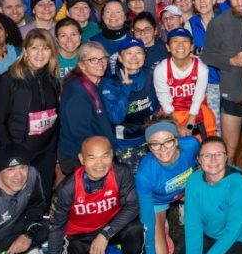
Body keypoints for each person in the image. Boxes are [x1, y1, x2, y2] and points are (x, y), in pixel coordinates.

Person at [46, 136, 145, 254]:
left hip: (110, 228)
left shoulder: (121, 173)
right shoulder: (67, 189)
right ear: (82, 159)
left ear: (112, 155)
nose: (100, 164)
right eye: (92, 158)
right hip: (80, 236)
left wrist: (105, 234)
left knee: (136, 228)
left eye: (105, 156)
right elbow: (56, 228)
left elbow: (132, 207)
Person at [0, 29, 61, 202]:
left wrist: (53, 147)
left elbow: (55, 115)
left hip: (46, 151)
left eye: (45, 48)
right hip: (19, 151)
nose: (39, 53)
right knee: (17, 200)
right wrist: (12, 153)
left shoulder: (52, 79)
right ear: (25, 51)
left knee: (42, 195)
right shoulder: (8, 80)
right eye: (34, 47)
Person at [135, 120, 199, 254]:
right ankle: (163, 225)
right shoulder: (144, 174)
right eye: (155, 144)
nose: (162, 149)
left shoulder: (191, 145)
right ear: (148, 147)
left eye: (168, 142)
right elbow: (146, 217)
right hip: (160, 201)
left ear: (176, 140)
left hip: (188, 191)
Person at [101, 36, 159, 171]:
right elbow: (116, 117)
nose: (134, 57)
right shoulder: (110, 83)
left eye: (138, 52)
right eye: (128, 53)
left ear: (144, 56)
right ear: (120, 58)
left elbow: (155, 104)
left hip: (149, 138)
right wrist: (126, 89)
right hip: (124, 143)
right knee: (130, 184)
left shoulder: (150, 74)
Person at [58, 41, 115, 176]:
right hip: (81, 156)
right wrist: (101, 155)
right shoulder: (77, 91)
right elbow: (80, 133)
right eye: (93, 60)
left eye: (103, 59)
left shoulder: (93, 81)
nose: (100, 63)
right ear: (82, 65)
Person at [153, 28, 216, 140]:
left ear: (192, 46)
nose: (180, 45)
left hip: (195, 111)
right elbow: (165, 103)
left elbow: (198, 99)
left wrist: (189, 125)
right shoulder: (161, 69)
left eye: (185, 41)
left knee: (202, 144)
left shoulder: (201, 67)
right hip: (171, 113)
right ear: (168, 47)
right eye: (175, 41)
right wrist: (177, 127)